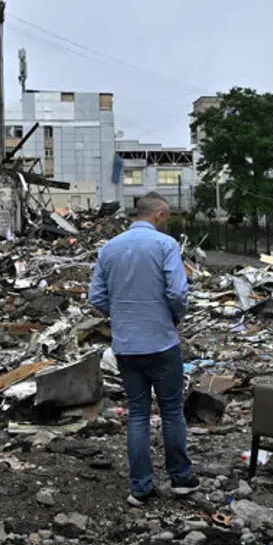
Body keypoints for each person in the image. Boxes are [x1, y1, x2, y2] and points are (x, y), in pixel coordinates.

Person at [88, 192, 199, 505]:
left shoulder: (109, 249)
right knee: (172, 411)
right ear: (160, 214)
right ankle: (180, 479)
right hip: (162, 342)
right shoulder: (165, 246)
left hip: (126, 347)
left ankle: (141, 487)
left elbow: (96, 297)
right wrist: (173, 318)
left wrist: (121, 315)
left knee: (137, 414)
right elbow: (177, 292)